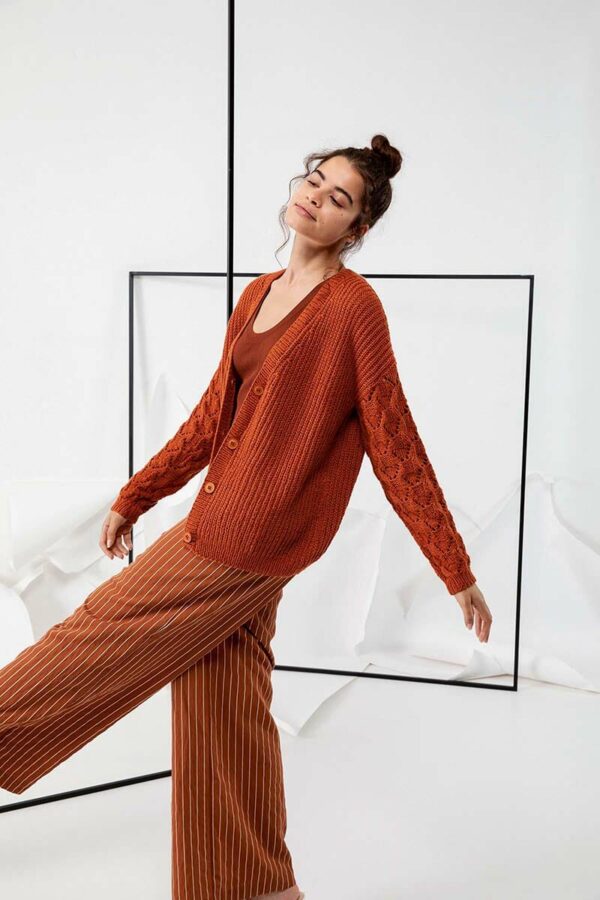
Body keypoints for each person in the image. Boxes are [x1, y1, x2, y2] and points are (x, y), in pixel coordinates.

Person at [0, 134, 491, 900]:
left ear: (357, 228)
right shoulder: (259, 293)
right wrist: (137, 495)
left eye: (339, 198)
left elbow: (394, 440)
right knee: (223, 704)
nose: (316, 196)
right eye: (315, 179)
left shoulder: (354, 310)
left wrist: (454, 569)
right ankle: (256, 887)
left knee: (90, 636)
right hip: (220, 521)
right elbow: (210, 419)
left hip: (250, 541)